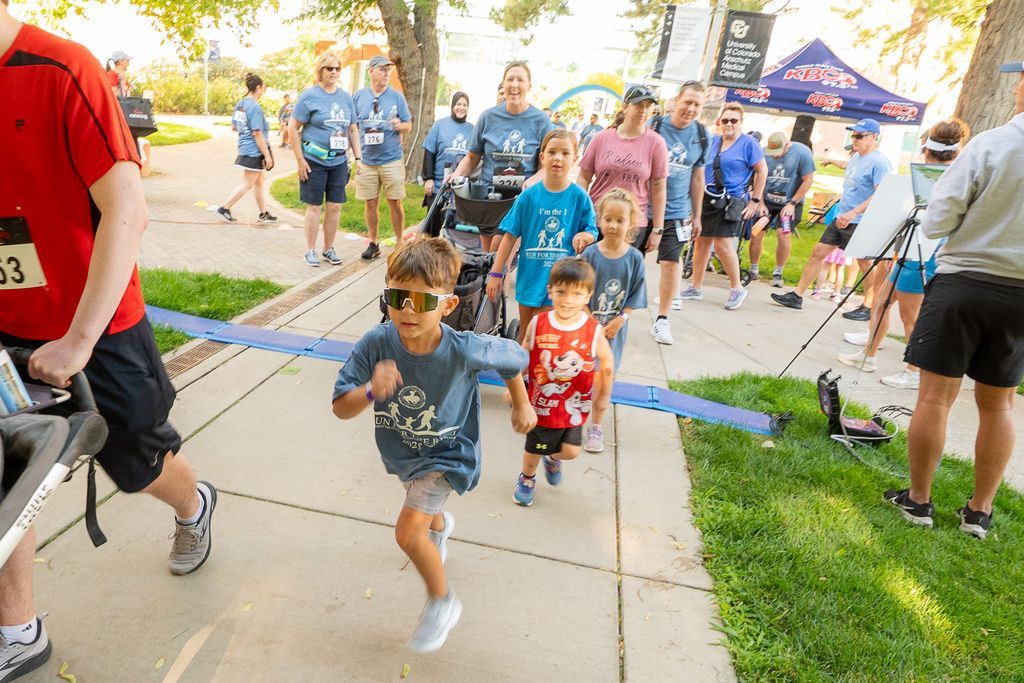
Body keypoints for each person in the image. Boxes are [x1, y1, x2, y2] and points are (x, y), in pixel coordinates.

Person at [0, 5, 217, 676]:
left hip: (95, 324)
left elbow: (128, 208)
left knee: (137, 464)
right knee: (6, 480)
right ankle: (19, 631)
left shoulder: (63, 69)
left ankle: (194, 502)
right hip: (6, 322)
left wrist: (79, 339)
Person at [332, 238, 535, 650]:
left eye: (422, 301)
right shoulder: (376, 342)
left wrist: (522, 403)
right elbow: (340, 407)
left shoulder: (464, 348)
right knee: (423, 515)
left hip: (450, 452)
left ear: (446, 306)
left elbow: (515, 358)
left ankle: (443, 601)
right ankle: (439, 528)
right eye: (397, 296)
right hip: (406, 452)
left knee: (408, 533)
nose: (407, 309)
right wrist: (372, 390)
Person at [883, 64, 1024, 540]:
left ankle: (919, 500)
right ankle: (978, 512)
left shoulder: (990, 144)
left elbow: (936, 221)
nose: (1014, 84)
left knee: (935, 397)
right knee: (999, 404)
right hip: (1021, 294)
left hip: (965, 281)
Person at [837, 119, 970, 383]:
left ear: (928, 149)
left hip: (925, 252)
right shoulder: (951, 174)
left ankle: (913, 371)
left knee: (911, 314)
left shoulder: (947, 177)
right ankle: (869, 354)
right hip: (912, 249)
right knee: (881, 301)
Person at [513, 258, 614, 507]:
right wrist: (516, 385)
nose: (568, 299)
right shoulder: (539, 323)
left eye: (576, 293)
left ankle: (552, 457)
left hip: (574, 406)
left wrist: (603, 394)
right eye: (561, 292)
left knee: (570, 451)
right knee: (534, 448)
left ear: (588, 296)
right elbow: (524, 351)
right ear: (550, 291)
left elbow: (607, 361)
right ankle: (527, 478)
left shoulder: (592, 330)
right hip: (542, 406)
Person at [486, 130, 598, 341]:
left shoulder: (580, 197)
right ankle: (523, 373)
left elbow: (592, 230)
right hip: (531, 277)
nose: (558, 158)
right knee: (526, 333)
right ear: (542, 157)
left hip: (562, 283)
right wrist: (495, 274)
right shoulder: (528, 196)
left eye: (565, 153)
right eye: (552, 152)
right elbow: (509, 236)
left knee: (552, 336)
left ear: (575, 159)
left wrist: (585, 235)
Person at [771, 118, 891, 312]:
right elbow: (849, 167)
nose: (855, 139)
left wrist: (853, 213)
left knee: (864, 262)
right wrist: (832, 161)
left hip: (860, 220)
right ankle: (797, 295)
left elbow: (881, 194)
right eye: (853, 135)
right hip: (841, 217)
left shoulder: (880, 163)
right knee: (818, 252)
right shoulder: (856, 157)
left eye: (859, 136)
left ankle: (869, 306)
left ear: (874, 137)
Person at [452, 61, 555, 251]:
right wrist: (457, 174)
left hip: (520, 198)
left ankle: (499, 279)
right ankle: (490, 279)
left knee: (501, 253)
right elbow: (472, 157)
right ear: (503, 83)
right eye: (510, 79)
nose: (514, 85)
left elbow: (546, 166)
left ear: (529, 86)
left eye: (520, 80)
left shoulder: (541, 120)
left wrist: (533, 181)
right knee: (489, 255)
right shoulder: (488, 117)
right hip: (489, 198)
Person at [681, 103, 766, 311]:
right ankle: (695, 286)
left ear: (740, 123)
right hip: (707, 197)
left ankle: (737, 287)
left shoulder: (748, 144)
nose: (729, 124)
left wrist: (755, 201)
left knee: (723, 245)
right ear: (719, 121)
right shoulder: (713, 141)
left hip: (731, 201)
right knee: (700, 242)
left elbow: (762, 171)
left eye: (733, 120)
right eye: (725, 120)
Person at [581, 189, 646, 451]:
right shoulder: (590, 255)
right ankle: (572, 419)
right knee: (581, 375)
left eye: (620, 220)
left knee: (604, 377)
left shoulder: (635, 259)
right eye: (608, 219)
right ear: (600, 220)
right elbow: (580, 292)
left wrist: (621, 319)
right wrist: (588, 320)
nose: (613, 225)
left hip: (612, 333)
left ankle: (595, 426)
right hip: (586, 330)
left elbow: (634, 295)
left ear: (631, 223)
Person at [647, 81, 708, 345]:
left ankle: (662, 319)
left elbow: (697, 178)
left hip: (677, 211)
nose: (691, 109)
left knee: (671, 263)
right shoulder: (656, 126)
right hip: (644, 207)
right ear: (676, 101)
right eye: (687, 102)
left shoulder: (702, 135)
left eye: (697, 105)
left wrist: (697, 215)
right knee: (627, 260)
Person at [577, 85, 668, 256]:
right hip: (598, 219)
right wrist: (580, 212)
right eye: (638, 105)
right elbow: (584, 177)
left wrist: (657, 228)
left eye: (648, 106)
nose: (643, 110)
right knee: (590, 276)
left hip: (633, 224)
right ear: (625, 106)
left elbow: (659, 188)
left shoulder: (656, 143)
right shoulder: (602, 138)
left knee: (621, 278)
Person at [289, 51, 361, 268]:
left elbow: (352, 128)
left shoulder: (346, 97)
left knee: (334, 207)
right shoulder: (310, 96)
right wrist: (300, 160)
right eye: (329, 68)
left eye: (337, 68)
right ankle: (310, 251)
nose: (333, 72)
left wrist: (358, 158)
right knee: (313, 207)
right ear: (320, 71)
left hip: (338, 162)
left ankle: (328, 248)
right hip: (313, 161)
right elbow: (293, 127)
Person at [354, 54, 412, 260]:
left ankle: (399, 241)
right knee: (370, 203)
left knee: (395, 201)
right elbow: (353, 126)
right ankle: (373, 242)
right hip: (367, 159)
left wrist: (400, 125)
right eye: (382, 69)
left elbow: (408, 124)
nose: (387, 73)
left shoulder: (396, 97)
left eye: (389, 70)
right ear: (371, 71)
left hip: (391, 158)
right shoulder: (360, 96)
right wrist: (353, 155)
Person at [748, 131, 815, 286]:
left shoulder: (802, 153)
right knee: (756, 232)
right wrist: (761, 202)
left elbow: (808, 181)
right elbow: (759, 177)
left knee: (783, 234)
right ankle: (753, 270)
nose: (775, 156)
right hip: (768, 200)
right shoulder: (764, 153)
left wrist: (792, 204)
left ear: (787, 145)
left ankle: (778, 273)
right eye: (773, 153)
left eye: (778, 153)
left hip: (791, 202)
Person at [216, 73, 277, 224]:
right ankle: (225, 207)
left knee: (259, 181)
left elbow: (234, 126)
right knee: (247, 183)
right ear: (258, 87)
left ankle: (263, 213)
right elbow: (257, 133)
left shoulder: (241, 104)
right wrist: (267, 156)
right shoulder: (255, 108)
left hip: (244, 147)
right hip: (254, 151)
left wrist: (245, 132)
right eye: (263, 88)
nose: (263, 91)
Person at [420, 91, 473, 234]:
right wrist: (428, 179)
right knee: (432, 227)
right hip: (438, 186)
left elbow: (474, 157)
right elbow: (429, 152)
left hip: (459, 189)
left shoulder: (472, 129)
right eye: (458, 104)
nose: (461, 108)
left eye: (464, 105)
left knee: (453, 228)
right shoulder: (439, 125)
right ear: (452, 106)